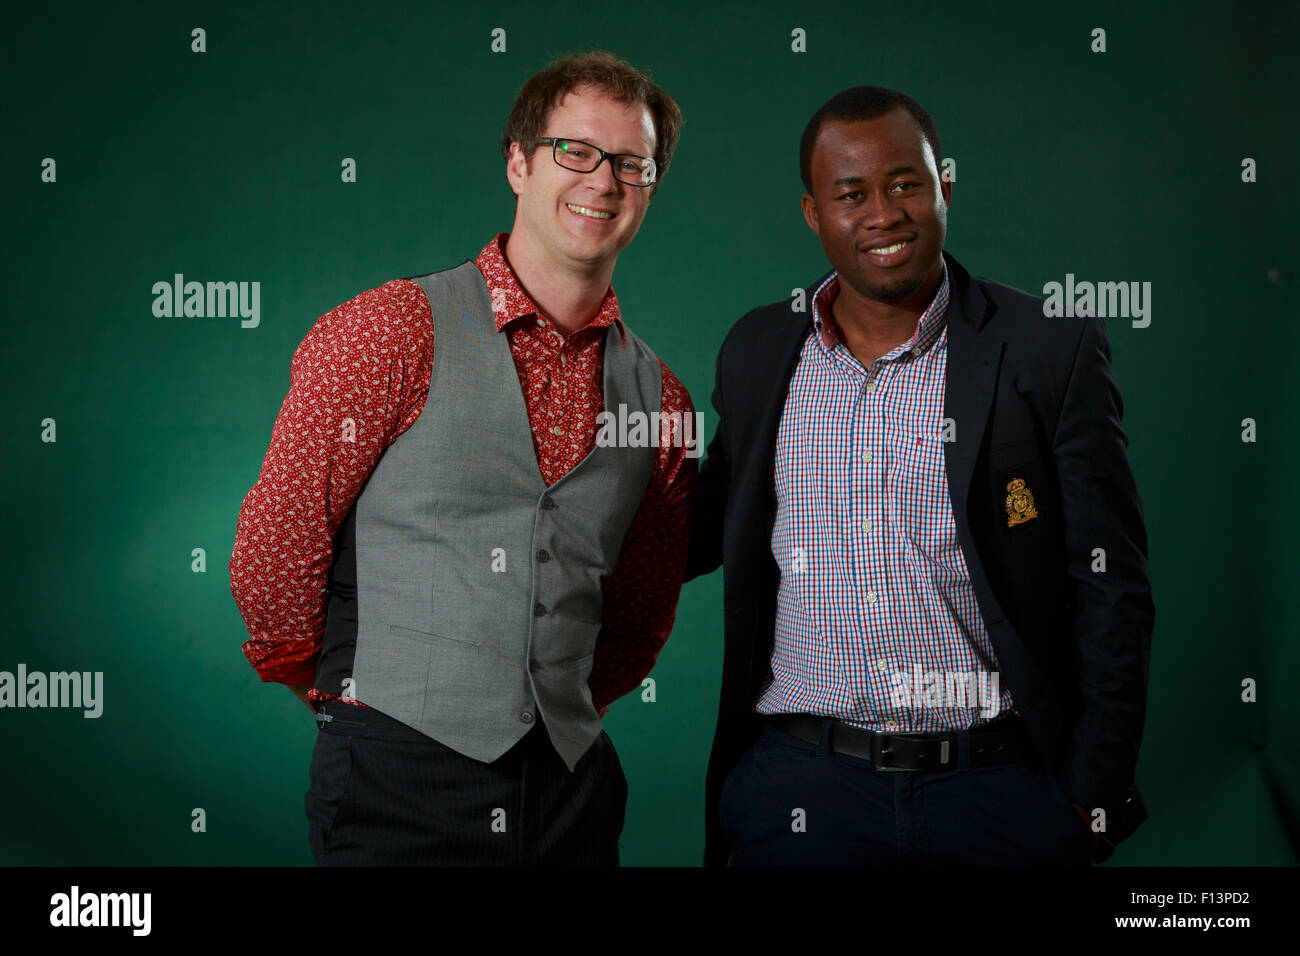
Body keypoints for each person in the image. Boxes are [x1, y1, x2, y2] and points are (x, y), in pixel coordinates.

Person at [229, 50, 695, 866]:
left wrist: (551, 711)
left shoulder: (664, 401)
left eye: (632, 162)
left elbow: (641, 610)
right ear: (518, 163)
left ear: (651, 187)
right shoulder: (390, 331)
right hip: (391, 779)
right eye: (575, 151)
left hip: (570, 795)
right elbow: (276, 547)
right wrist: (353, 699)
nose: (603, 180)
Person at [687, 85, 1154, 866]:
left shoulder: (1046, 348)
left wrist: (1090, 787)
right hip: (803, 793)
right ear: (814, 213)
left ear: (945, 186)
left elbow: (1112, 584)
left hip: (999, 790)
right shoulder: (760, 350)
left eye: (906, 183)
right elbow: (703, 524)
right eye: (852, 194)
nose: (883, 214)